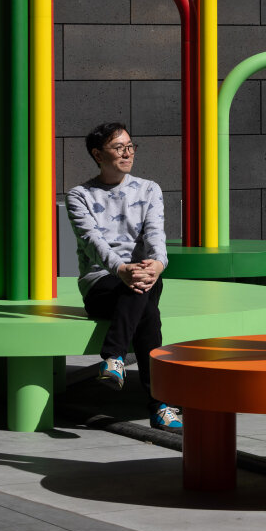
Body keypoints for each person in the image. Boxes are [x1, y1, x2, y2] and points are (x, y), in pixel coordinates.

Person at [65, 121, 181, 432]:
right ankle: (161, 405)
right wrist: (121, 269)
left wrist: (158, 263)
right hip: (101, 283)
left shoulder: (149, 189)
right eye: (119, 148)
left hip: (142, 275)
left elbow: (155, 233)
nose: (127, 153)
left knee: (142, 289)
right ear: (98, 154)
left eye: (130, 146)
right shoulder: (80, 195)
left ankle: (114, 357)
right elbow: (92, 242)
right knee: (148, 312)